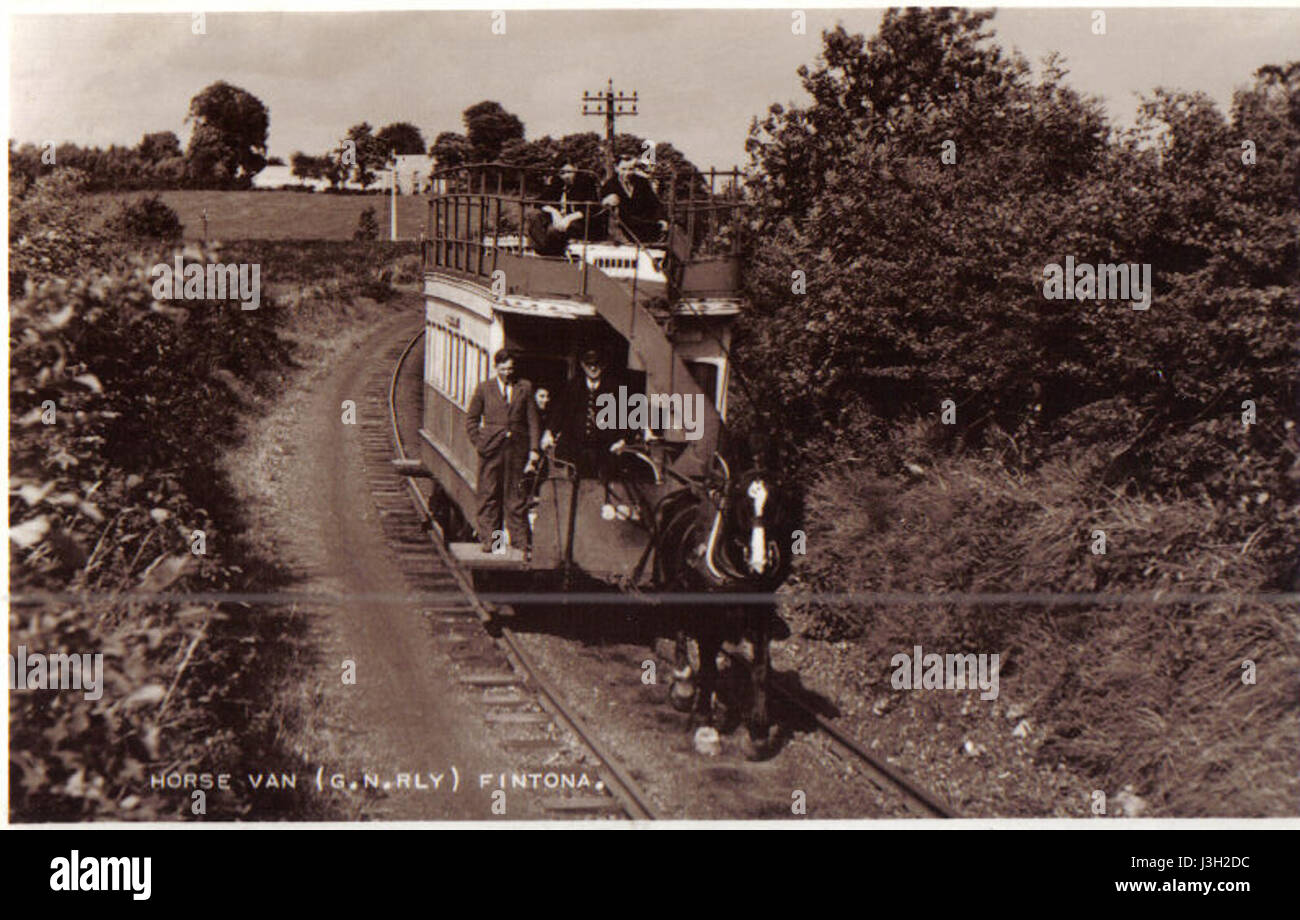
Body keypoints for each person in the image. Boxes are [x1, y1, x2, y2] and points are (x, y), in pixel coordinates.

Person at [465, 350, 540, 553]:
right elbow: (471, 419)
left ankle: (520, 543)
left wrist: (534, 450)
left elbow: (533, 421)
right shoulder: (484, 389)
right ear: (496, 367)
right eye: (504, 368)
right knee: (490, 495)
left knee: (516, 496)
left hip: (516, 451)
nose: (508, 372)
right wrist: (480, 442)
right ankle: (494, 543)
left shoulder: (524, 388)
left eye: (510, 368)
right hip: (491, 450)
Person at [562, 348, 624, 481]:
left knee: (603, 487)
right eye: (589, 365)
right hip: (577, 449)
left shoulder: (613, 388)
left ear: (603, 366)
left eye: (596, 364)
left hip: (605, 451)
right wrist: (549, 432)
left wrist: (622, 440)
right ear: (583, 366)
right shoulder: (574, 387)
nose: (593, 368)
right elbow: (560, 412)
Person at [527, 163, 602, 255]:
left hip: (579, 221)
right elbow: (539, 202)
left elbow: (593, 208)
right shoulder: (558, 183)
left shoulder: (585, 183)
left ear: (575, 169)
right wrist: (554, 212)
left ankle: (553, 254)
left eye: (569, 172)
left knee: (553, 230)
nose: (566, 176)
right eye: (562, 173)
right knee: (534, 215)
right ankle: (542, 251)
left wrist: (568, 219)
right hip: (559, 218)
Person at [600, 155, 668, 244]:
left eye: (631, 169)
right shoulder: (610, 185)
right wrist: (606, 201)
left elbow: (655, 203)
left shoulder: (642, 182)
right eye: (623, 169)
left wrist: (662, 219)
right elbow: (599, 205)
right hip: (623, 227)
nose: (627, 173)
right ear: (616, 168)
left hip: (645, 224)